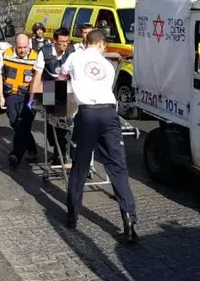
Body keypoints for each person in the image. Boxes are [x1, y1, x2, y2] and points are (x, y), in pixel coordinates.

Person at [60, 29, 138, 243]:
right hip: (109, 114)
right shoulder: (107, 64)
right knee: (118, 167)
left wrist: (58, 104)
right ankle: (129, 219)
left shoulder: (74, 56)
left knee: (80, 166)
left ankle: (72, 216)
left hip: (87, 114)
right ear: (101, 44)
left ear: (87, 42)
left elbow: (61, 76)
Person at [28, 27, 75, 166]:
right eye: (61, 42)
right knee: (50, 121)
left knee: (65, 121)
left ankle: (64, 154)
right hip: (49, 87)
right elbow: (37, 76)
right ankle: (56, 148)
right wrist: (32, 98)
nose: (64, 44)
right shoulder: (45, 52)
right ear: (55, 40)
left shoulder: (72, 52)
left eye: (67, 41)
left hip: (66, 89)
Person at [0, 33, 40, 167]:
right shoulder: (5, 54)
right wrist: (1, 96)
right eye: (20, 47)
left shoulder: (36, 57)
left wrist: (40, 100)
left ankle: (16, 155)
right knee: (15, 123)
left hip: (29, 96)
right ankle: (31, 148)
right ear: (15, 45)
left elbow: (40, 78)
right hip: (12, 95)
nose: (23, 50)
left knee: (23, 124)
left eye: (25, 47)